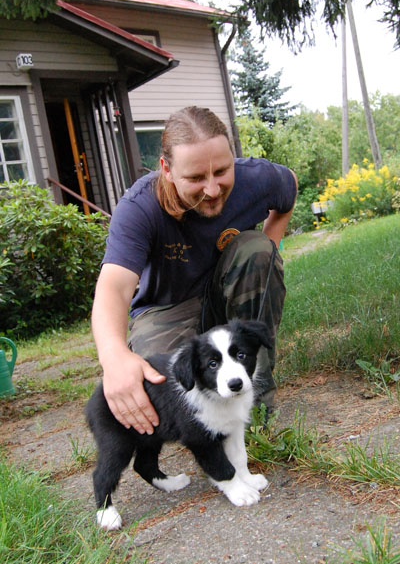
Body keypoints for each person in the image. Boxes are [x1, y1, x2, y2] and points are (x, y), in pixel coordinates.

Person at [92, 106, 297, 435]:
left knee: (257, 249)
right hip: (166, 308)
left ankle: (256, 405)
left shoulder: (256, 178)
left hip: (223, 294)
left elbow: (289, 186)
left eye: (222, 171)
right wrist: (113, 357)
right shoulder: (138, 208)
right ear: (167, 169)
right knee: (169, 388)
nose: (212, 189)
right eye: (196, 178)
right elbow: (113, 288)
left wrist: (268, 252)